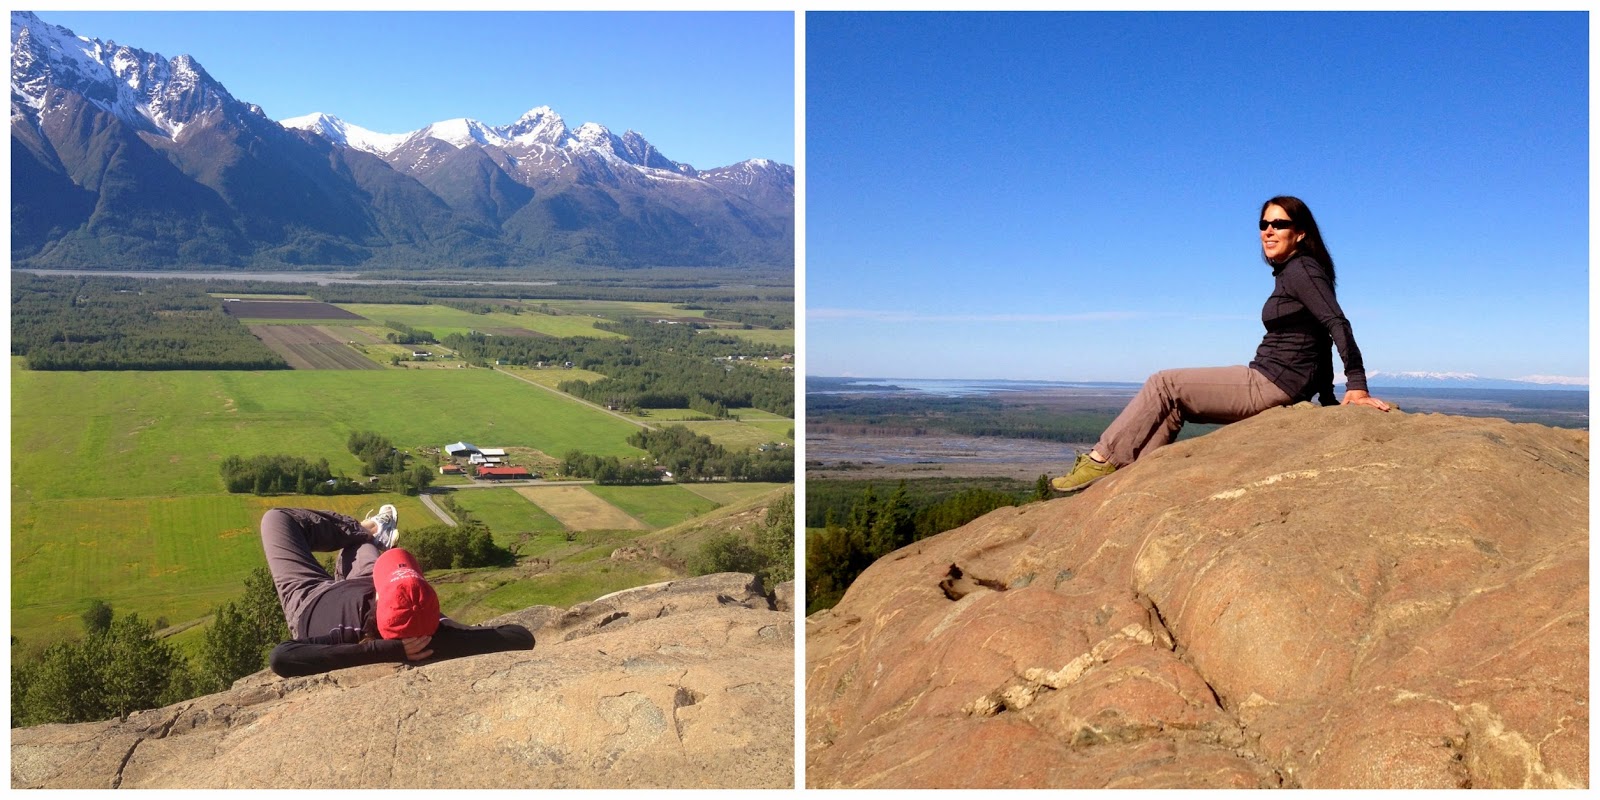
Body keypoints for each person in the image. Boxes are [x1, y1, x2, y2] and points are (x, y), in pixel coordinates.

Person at [1051, 195, 1390, 493]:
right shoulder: (1293, 272)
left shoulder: (1303, 270)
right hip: (1272, 379)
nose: (1268, 231)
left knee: (1163, 383)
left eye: (1279, 224)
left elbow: (1335, 324)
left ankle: (1101, 458)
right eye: (1264, 223)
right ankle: (1127, 478)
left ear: (1300, 233)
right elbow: (1317, 336)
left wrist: (1356, 386)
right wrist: (1327, 395)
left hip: (1270, 382)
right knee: (1173, 408)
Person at [259, 504, 534, 677]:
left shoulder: (346, 636)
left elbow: (283, 657)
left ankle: (363, 531)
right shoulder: (438, 638)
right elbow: (520, 637)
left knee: (276, 519)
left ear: (379, 596)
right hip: (365, 581)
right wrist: (448, 632)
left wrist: (387, 651)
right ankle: (368, 537)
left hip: (308, 599)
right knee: (365, 552)